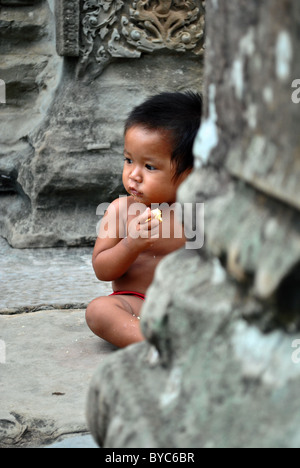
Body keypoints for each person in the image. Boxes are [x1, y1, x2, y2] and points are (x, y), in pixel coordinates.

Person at [86, 91, 202, 348]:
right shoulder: (120, 210)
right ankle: (159, 344)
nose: (133, 175)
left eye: (149, 166)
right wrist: (130, 245)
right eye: (129, 160)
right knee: (99, 310)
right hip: (136, 303)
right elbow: (102, 270)